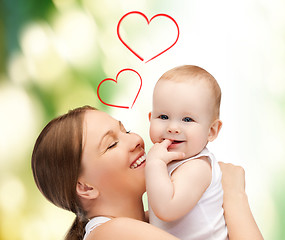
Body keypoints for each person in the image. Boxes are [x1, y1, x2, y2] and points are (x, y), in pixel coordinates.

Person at [31, 105, 263, 240]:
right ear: (85, 187)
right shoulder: (112, 233)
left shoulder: (155, 222)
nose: (136, 139)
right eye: (111, 144)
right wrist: (234, 195)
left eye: (126, 130)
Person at [146, 65, 224, 239]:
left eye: (187, 119)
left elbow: (166, 209)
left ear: (211, 131)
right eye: (163, 117)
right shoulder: (169, 161)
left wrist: (154, 164)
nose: (173, 128)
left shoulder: (198, 167)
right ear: (150, 118)